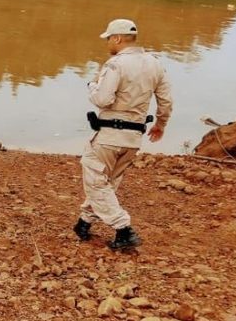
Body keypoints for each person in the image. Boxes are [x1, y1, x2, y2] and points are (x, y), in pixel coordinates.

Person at [74, 18, 173, 250]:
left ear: (117, 38)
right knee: (106, 182)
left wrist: (92, 85)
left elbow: (102, 99)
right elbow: (166, 102)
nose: (108, 43)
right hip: (134, 138)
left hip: (109, 135)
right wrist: (161, 124)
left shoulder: (115, 65)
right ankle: (84, 223)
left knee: (96, 181)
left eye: (109, 38)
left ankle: (123, 229)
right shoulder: (156, 64)